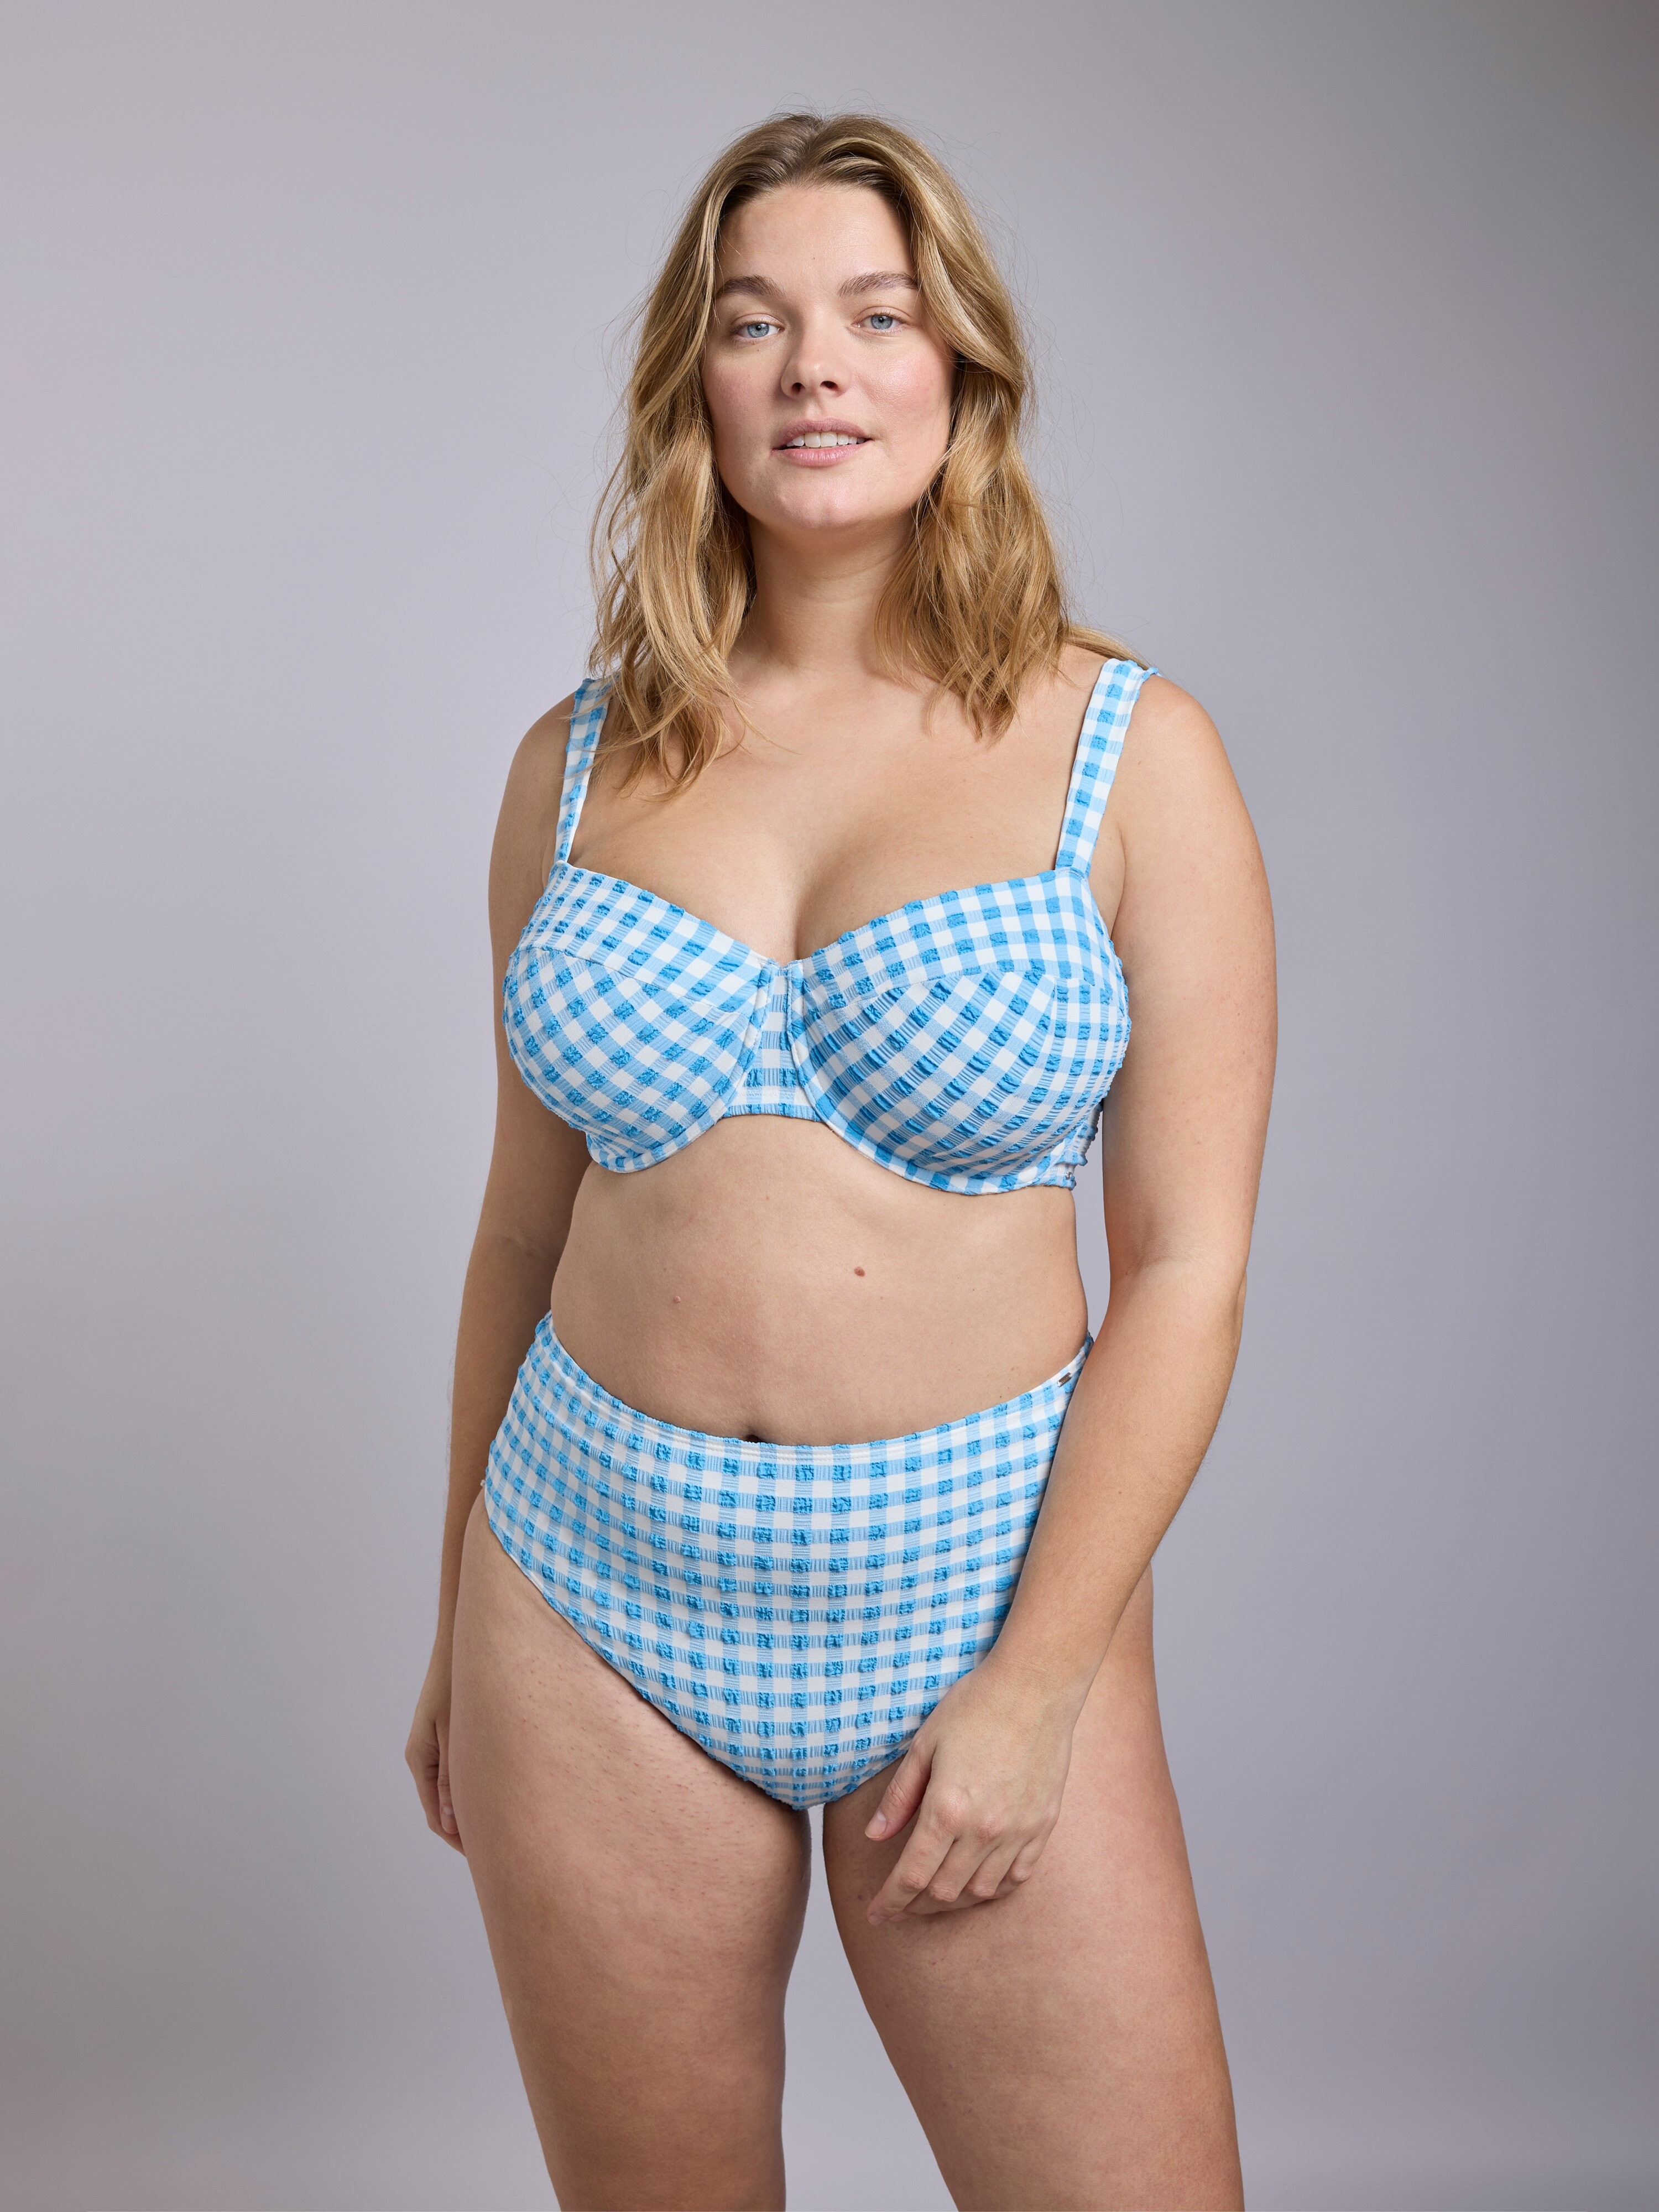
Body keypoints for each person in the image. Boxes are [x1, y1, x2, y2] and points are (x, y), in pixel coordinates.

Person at [406, 109, 1275, 2212]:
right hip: (588, 1594)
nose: (816, 366)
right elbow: (520, 1228)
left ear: (959, 369)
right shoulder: (573, 767)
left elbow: (1187, 1268)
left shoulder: (1128, 755)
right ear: (692, 385)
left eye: (877, 316)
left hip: (973, 1588)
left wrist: (1040, 1683)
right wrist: (453, 1614)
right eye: (755, 321)